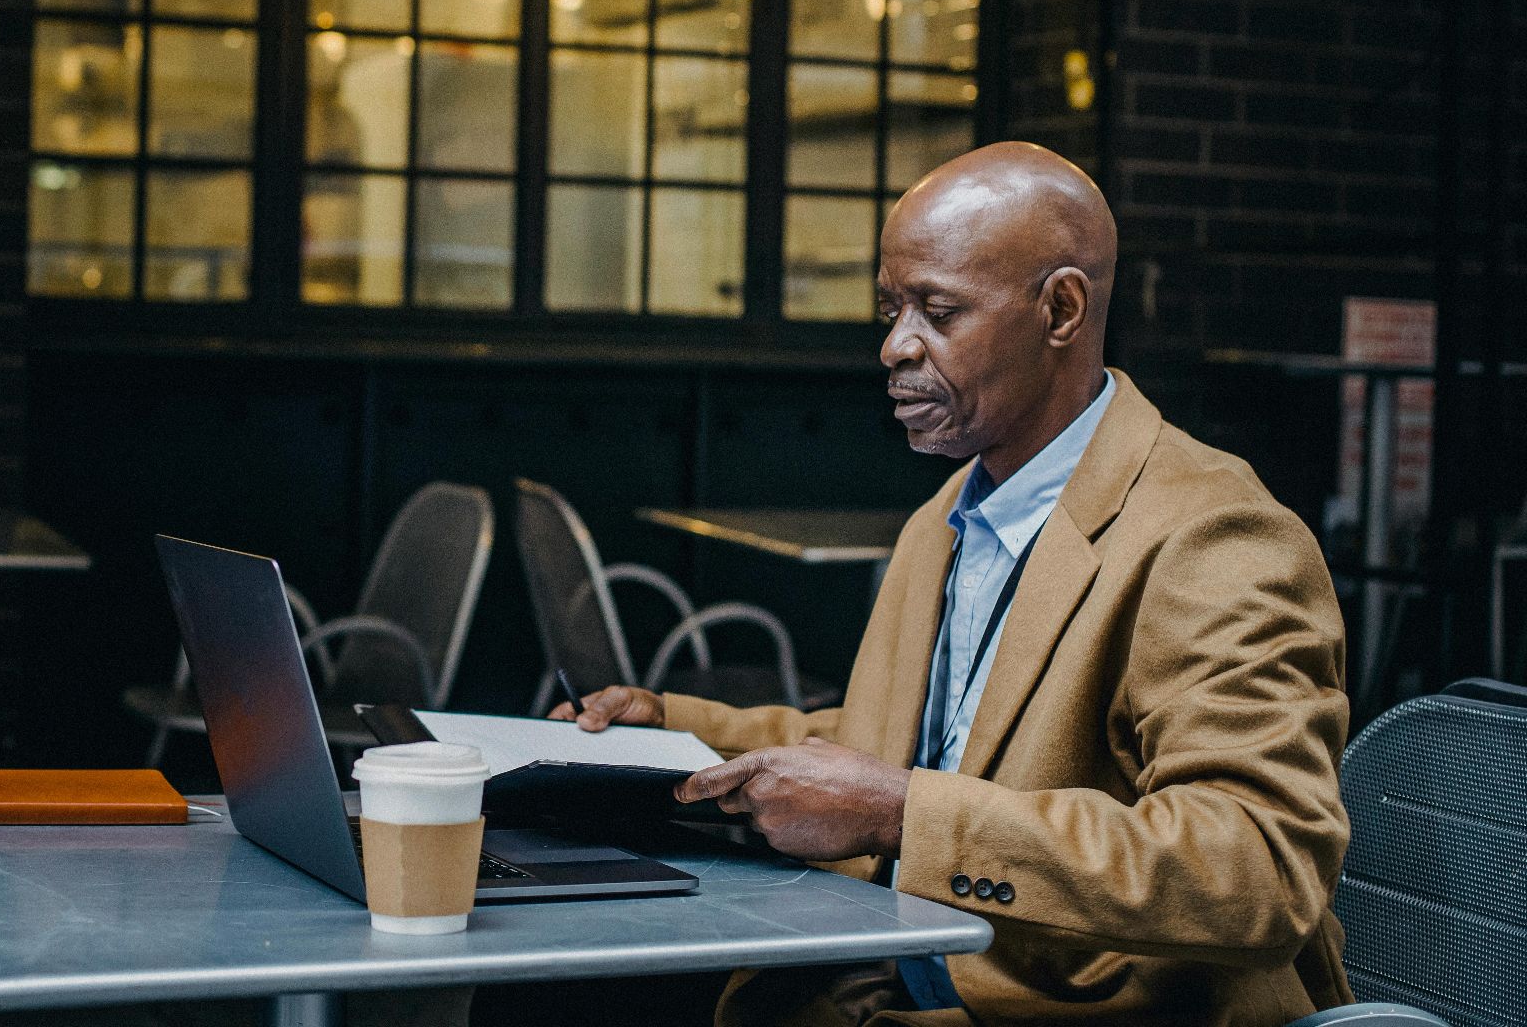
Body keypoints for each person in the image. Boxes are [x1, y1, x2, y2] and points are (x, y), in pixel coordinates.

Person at [552, 141, 1353, 1027]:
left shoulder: (1214, 536)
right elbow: (925, 747)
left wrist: (904, 817)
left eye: (938, 311)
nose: (896, 347)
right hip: (891, 967)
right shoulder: (954, 510)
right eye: (891, 309)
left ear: (1061, 309)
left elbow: (1259, 867)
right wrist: (677, 734)